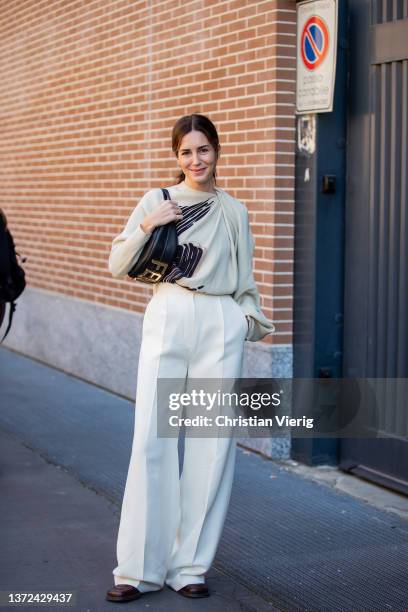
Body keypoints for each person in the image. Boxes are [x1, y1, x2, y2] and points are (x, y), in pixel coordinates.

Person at [105, 114, 275, 603]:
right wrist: (147, 224)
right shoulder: (158, 201)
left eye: (203, 150)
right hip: (170, 312)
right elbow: (118, 262)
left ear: (217, 151)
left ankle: (190, 566)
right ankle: (137, 569)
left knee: (211, 445)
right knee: (152, 440)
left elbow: (246, 282)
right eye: (185, 152)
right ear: (176, 157)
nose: (195, 160)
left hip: (220, 322)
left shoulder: (234, 211)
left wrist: (241, 322)